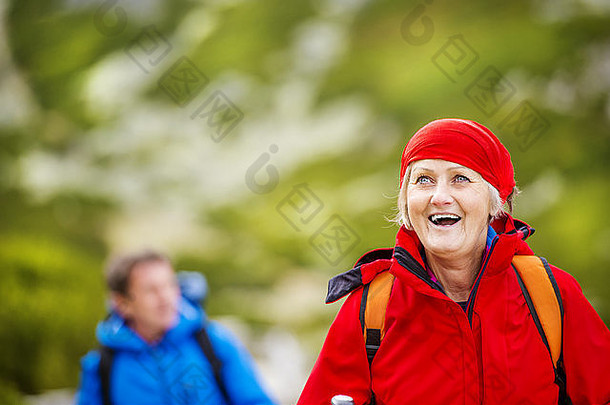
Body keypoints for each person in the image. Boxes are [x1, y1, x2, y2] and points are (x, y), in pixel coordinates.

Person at [297, 119, 610, 405]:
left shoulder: (550, 294)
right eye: (423, 180)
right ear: (406, 201)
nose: (439, 196)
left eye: (460, 178)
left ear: (494, 201)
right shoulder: (371, 307)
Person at [75, 250, 276, 405]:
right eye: (151, 290)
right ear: (122, 303)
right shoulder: (101, 365)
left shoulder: (213, 342)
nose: (165, 298)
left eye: (169, 285)